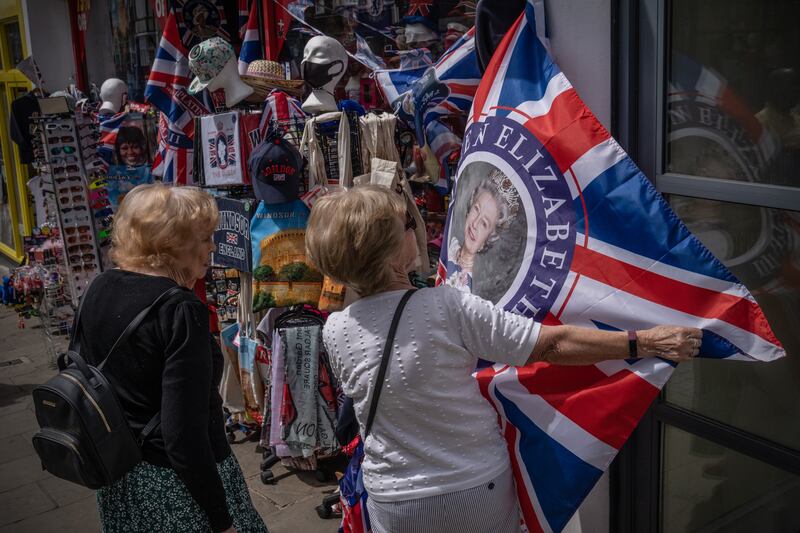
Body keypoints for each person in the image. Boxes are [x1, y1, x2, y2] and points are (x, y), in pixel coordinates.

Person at [305, 185, 701, 533]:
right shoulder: (446, 305)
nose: (416, 228)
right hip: (475, 488)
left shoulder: (335, 330)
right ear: (394, 258)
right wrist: (646, 342)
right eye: (407, 225)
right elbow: (551, 345)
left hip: (394, 500)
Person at [75, 183, 267, 533]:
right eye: (205, 238)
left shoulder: (99, 287)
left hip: (122, 480)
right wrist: (222, 521)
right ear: (173, 243)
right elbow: (183, 437)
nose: (212, 247)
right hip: (176, 489)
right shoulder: (180, 310)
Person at [446, 168, 519, 292]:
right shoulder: (451, 246)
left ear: (490, 237)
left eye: (484, 223)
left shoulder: (479, 287)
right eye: (476, 209)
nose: (475, 223)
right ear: (469, 208)